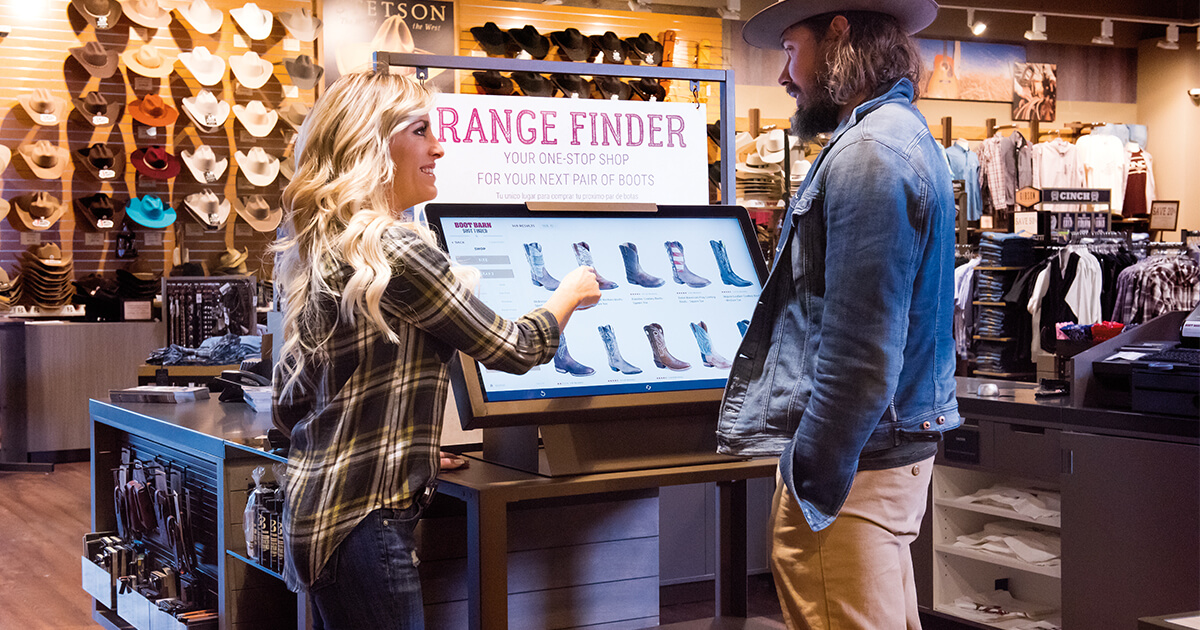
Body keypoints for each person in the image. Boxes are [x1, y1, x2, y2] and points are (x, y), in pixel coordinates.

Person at [271, 71, 600, 629]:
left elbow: (293, 403)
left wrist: (402, 448)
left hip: (322, 513)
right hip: (366, 522)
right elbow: (515, 347)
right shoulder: (395, 247)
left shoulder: (331, 245)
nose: (439, 147)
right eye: (421, 130)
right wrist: (567, 296)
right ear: (370, 143)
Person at [716, 1, 961, 628]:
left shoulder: (870, 154)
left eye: (790, 49)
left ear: (839, 35)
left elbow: (859, 353)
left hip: (854, 469)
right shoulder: (903, 138)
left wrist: (810, 477)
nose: (783, 74)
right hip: (882, 455)